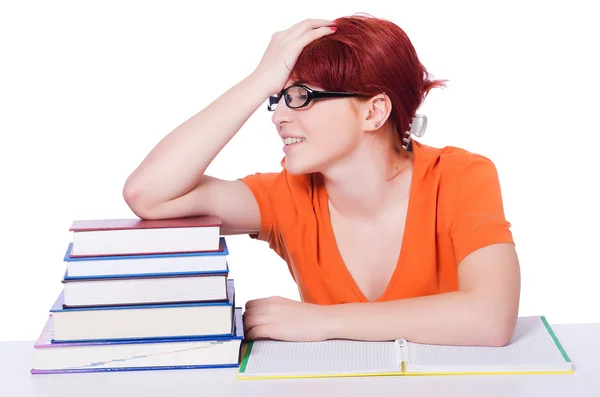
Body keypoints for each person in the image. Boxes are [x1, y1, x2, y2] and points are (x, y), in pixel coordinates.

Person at [123, 15, 520, 347]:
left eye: (301, 96)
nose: (278, 117)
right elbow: (149, 194)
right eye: (276, 99)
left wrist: (324, 322)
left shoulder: (460, 177)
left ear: (373, 112)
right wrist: (260, 79)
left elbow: (491, 318)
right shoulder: (287, 196)